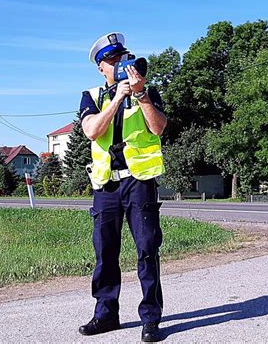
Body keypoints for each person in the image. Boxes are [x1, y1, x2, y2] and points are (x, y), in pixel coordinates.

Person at [78, 32, 167, 342]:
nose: (121, 64)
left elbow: (158, 128)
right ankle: (105, 315)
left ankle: (151, 319)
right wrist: (117, 97)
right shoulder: (91, 96)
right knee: (105, 252)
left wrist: (140, 95)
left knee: (146, 250)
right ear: (102, 67)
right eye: (114, 61)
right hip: (106, 186)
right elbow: (92, 131)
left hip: (139, 181)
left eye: (124, 57)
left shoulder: (148, 92)